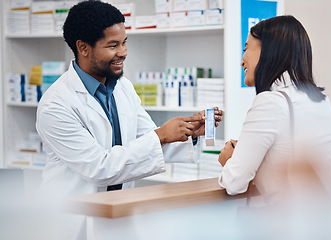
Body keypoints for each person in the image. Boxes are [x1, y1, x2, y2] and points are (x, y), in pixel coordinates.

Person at [35, 1, 223, 239]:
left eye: (124, 42)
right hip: (72, 222)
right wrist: (161, 134)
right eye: (112, 45)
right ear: (83, 47)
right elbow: (99, 168)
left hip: (116, 214)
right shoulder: (56, 104)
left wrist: (189, 132)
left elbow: (149, 141)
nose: (123, 52)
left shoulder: (123, 88)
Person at [217, 15, 331, 205]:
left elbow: (234, 183)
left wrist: (230, 159)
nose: (242, 61)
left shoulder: (270, 102)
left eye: (246, 48)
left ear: (268, 51)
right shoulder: (320, 100)